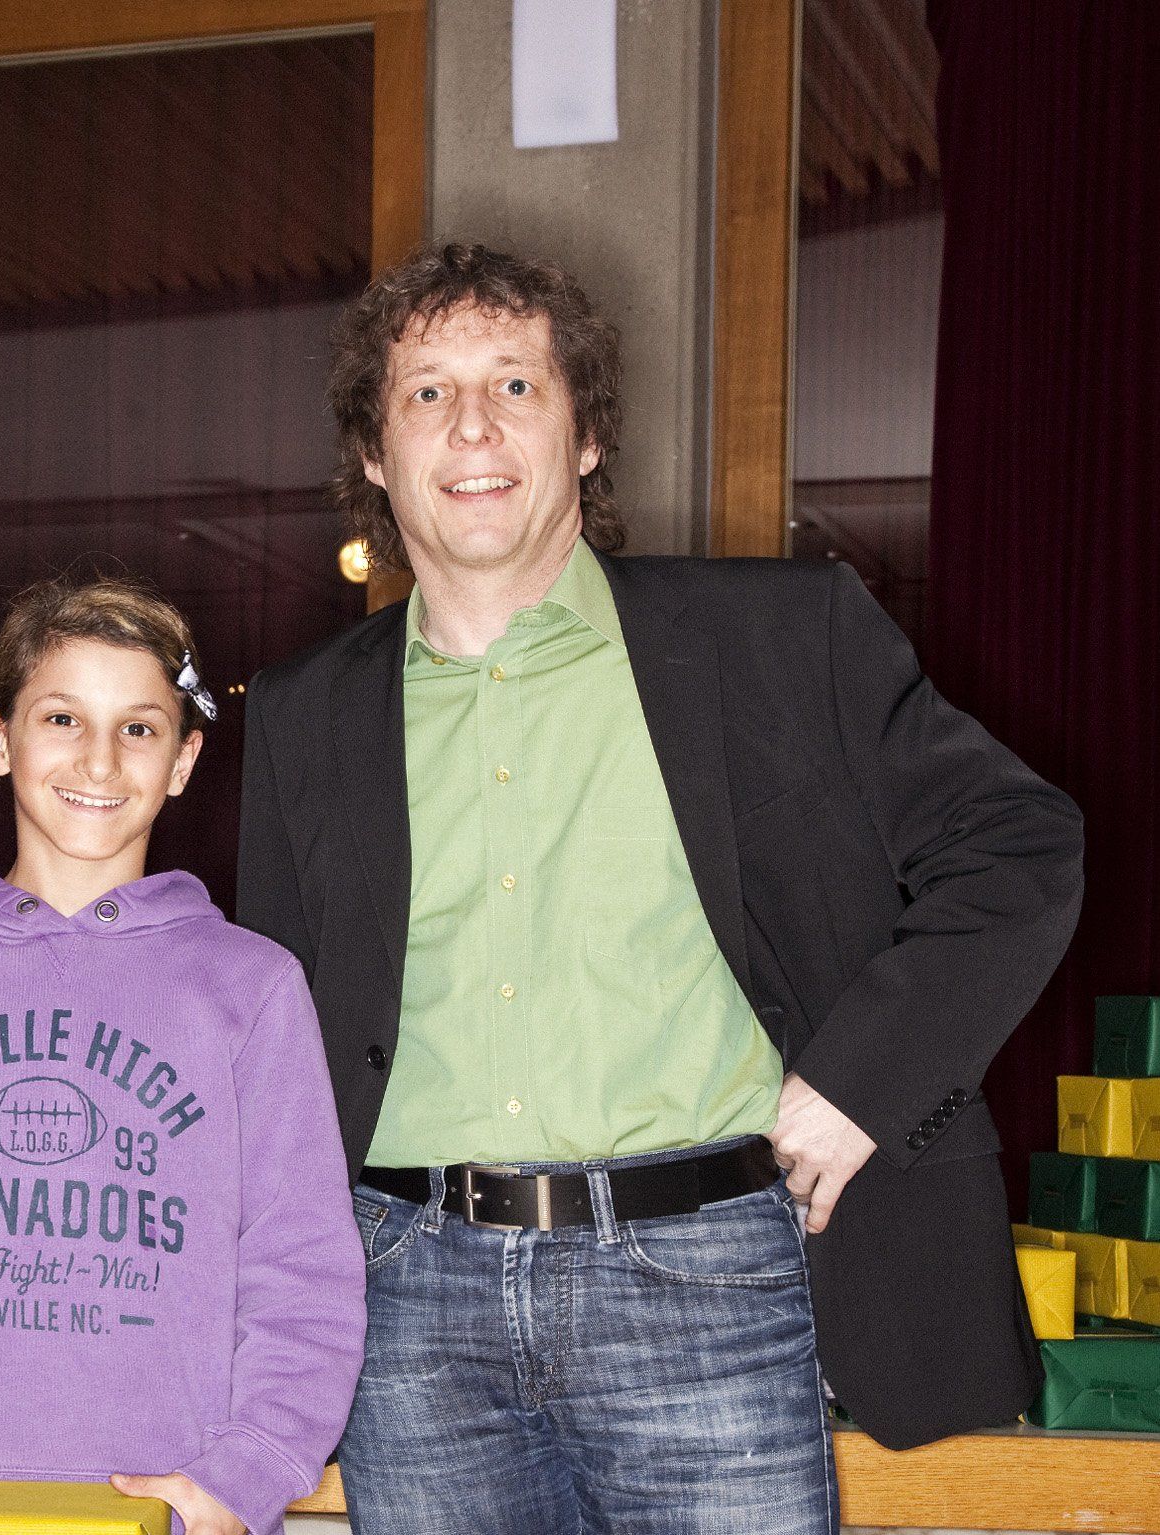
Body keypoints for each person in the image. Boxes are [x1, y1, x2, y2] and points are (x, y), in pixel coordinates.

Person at [236, 243, 1084, 1534]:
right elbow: (277, 1029)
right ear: (374, 452)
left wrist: (864, 1080)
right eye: (425, 392)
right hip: (405, 1296)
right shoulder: (303, 710)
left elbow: (1017, 842)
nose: (471, 424)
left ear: (585, 436)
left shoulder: (777, 635)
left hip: (708, 1273)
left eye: (515, 384)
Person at [0, 575, 363, 1535]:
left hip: (170, 1507)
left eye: (139, 728)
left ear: (183, 759)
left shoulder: (253, 988)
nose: (99, 758)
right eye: (61, 718)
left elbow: (302, 1266)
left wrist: (246, 1472)